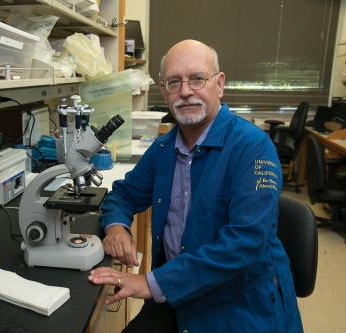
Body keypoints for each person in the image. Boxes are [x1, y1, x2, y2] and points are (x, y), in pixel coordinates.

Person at [88, 39, 303, 332]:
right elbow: (124, 194)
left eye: (197, 79)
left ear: (220, 84)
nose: (186, 91)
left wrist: (151, 283)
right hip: (178, 298)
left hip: (238, 303)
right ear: (164, 91)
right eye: (174, 82)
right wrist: (115, 227)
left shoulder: (252, 147)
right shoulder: (164, 148)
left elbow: (246, 243)